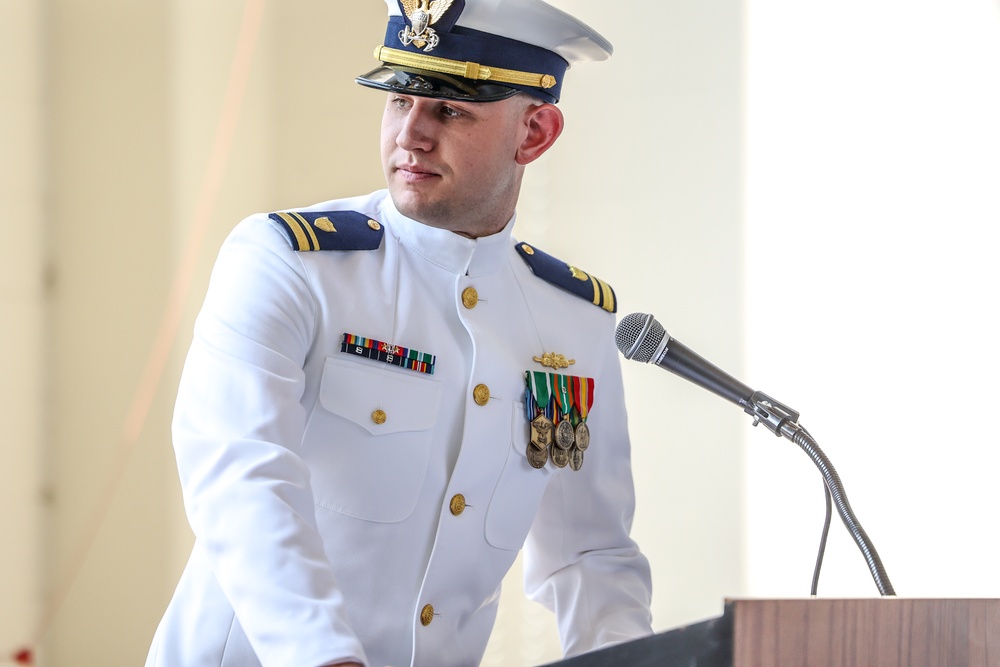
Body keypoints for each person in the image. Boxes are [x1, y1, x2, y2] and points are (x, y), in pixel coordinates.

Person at [145, 1, 653, 665]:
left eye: (449, 109)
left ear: (534, 133)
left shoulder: (570, 323)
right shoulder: (290, 264)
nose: (410, 133)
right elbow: (242, 477)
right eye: (397, 99)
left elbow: (590, 553)